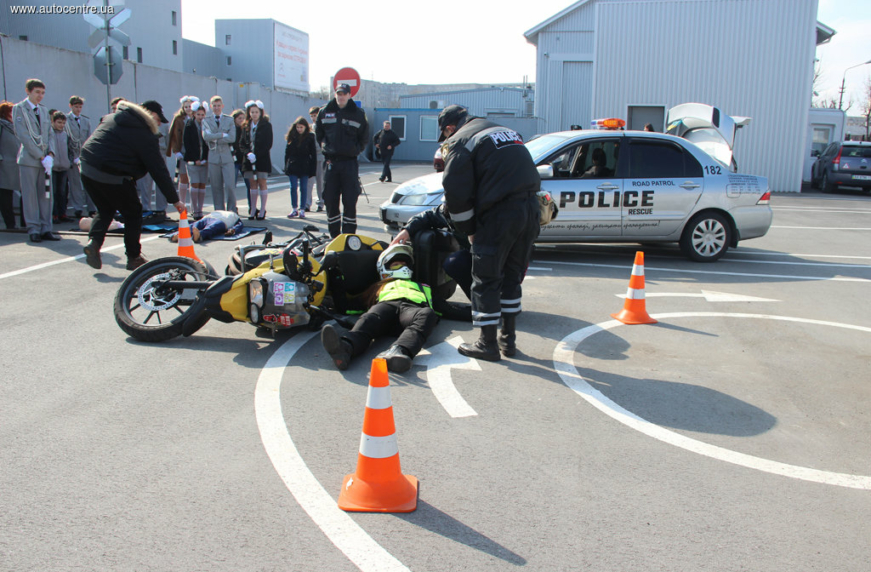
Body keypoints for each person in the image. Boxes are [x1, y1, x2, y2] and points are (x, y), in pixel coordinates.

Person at [438, 104, 540, 361]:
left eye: (445, 134)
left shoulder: (461, 140)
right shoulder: (505, 131)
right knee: (511, 277)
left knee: (486, 278)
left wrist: (469, 230)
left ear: (450, 128)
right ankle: (508, 341)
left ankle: (487, 344)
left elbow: (455, 191)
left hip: (499, 214)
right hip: (530, 209)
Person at [79, 100, 185, 270]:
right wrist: (175, 200)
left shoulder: (111, 118)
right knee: (133, 213)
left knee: (105, 209)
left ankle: (94, 242)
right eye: (158, 119)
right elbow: (158, 169)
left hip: (87, 168)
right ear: (149, 114)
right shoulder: (144, 134)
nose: (159, 124)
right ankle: (134, 257)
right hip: (113, 173)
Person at [320, 244, 438, 373]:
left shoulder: (423, 286)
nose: (402, 267)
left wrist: (457, 312)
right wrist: (336, 276)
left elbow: (444, 307)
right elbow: (347, 307)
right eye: (396, 264)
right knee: (369, 318)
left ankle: (399, 351)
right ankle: (346, 347)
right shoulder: (377, 287)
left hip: (411, 312)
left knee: (428, 313)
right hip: (385, 311)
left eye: (405, 264)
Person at [315, 83, 368, 238]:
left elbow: (364, 137)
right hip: (331, 162)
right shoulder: (325, 112)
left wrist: (355, 149)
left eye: (344, 94)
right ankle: (334, 236)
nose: (341, 97)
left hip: (349, 163)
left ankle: (348, 238)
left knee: (350, 200)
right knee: (330, 200)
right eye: (339, 93)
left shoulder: (358, 114)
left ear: (349, 95)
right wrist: (326, 147)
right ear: (335, 94)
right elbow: (319, 133)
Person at [12, 78, 58, 243]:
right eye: (37, 92)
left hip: (45, 161)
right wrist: (41, 156)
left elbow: (50, 133)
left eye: (42, 93)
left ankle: (46, 228)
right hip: (30, 160)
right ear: (28, 91)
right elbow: (23, 135)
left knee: (46, 195)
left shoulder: (44, 110)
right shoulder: (19, 109)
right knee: (30, 196)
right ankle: (34, 229)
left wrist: (51, 154)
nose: (40, 96)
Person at [203, 95, 237, 213]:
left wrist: (214, 137)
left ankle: (232, 210)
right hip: (213, 156)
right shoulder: (206, 120)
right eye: (214, 106)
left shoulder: (229, 120)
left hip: (227, 157)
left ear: (222, 106)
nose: (216, 108)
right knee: (216, 186)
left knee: (230, 185)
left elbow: (232, 138)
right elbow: (206, 137)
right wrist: (222, 135)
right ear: (211, 106)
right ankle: (219, 211)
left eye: (218, 105)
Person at [240, 100, 273, 220]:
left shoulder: (266, 125)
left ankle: (262, 209)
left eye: (256, 112)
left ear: (260, 112)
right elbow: (242, 143)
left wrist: (257, 155)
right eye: (252, 112)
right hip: (249, 160)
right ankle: (253, 208)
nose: (254, 114)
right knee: (252, 184)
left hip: (262, 159)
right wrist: (248, 153)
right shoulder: (246, 126)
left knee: (262, 182)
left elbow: (268, 143)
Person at [65, 95, 94, 218]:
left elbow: (89, 139)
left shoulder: (85, 121)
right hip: (73, 156)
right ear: (71, 106)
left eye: (80, 107)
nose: (78, 109)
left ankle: (91, 208)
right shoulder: (66, 120)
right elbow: (66, 140)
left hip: (84, 156)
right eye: (76, 107)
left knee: (88, 182)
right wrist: (73, 156)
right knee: (75, 184)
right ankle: (78, 208)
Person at [167, 96, 197, 212]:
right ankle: (182, 203)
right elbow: (173, 135)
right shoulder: (179, 119)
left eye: (190, 106)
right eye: (186, 107)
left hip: (194, 150)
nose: (188, 109)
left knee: (194, 179)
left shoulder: (197, 117)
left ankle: (194, 205)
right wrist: (176, 151)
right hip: (182, 149)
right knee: (183, 177)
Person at [284, 116, 317, 219]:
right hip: (293, 164)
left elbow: (313, 154)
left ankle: (302, 209)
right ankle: (294, 208)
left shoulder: (310, 137)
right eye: (298, 127)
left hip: (305, 165)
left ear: (305, 127)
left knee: (303, 188)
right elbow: (287, 152)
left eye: (301, 127)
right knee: (293, 187)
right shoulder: (292, 136)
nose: (299, 129)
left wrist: (313, 169)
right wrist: (286, 166)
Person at [183, 101, 209, 219]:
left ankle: (200, 209)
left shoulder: (207, 125)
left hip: (204, 159)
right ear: (194, 114)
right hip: (192, 160)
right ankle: (194, 208)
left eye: (202, 114)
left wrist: (205, 158)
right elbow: (187, 143)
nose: (200, 117)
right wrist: (195, 158)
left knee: (202, 184)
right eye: (198, 114)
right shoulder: (189, 125)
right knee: (194, 183)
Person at [0, 101, 23, 229]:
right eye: (10, 111)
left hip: (18, 164)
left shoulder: (17, 127)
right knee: (6, 195)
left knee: (25, 193)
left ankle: (25, 223)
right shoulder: (1, 125)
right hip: (5, 165)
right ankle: (10, 224)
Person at [49, 111, 74, 223]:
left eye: (63, 123)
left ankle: (62, 213)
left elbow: (70, 150)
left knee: (62, 192)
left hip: (64, 167)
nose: (61, 125)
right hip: (53, 168)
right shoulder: (49, 135)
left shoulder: (66, 135)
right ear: (53, 122)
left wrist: (69, 162)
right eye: (59, 122)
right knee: (53, 192)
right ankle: (54, 214)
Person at [168, 209, 242, 243]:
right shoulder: (223, 212)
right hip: (210, 218)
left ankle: (198, 235)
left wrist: (233, 230)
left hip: (219, 221)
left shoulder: (235, 216)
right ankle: (181, 234)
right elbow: (240, 225)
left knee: (209, 227)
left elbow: (239, 225)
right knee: (196, 225)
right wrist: (234, 230)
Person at [305, 105, 325, 212]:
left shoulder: (323, 127)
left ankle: (321, 202)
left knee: (320, 181)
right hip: (311, 157)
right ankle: (307, 204)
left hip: (321, 156)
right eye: (312, 116)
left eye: (315, 115)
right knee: (309, 181)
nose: (313, 118)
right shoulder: (309, 128)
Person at [231, 109, 251, 209]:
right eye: (239, 118)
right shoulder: (232, 129)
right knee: (232, 185)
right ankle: (233, 207)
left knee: (250, 184)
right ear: (234, 119)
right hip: (234, 160)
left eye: (243, 118)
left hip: (244, 160)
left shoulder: (246, 129)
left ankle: (252, 206)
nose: (242, 120)